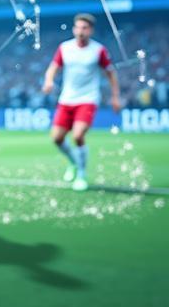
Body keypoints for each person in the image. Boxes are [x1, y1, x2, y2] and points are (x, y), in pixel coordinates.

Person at [42, 12, 121, 191]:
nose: (80, 31)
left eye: (84, 28)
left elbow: (110, 73)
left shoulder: (98, 50)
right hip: (66, 99)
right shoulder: (65, 47)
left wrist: (115, 96)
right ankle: (73, 162)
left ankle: (82, 175)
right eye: (78, 27)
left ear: (90, 30)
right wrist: (48, 81)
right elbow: (53, 68)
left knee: (78, 135)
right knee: (57, 138)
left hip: (88, 99)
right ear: (73, 29)